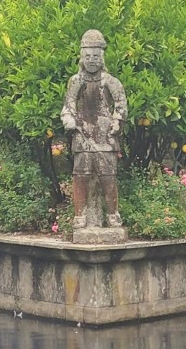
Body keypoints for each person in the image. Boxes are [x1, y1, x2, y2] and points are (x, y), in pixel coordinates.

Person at [61, 29, 127, 229]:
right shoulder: (76, 81)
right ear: (82, 57)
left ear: (102, 58)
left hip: (105, 136)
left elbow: (121, 105)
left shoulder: (110, 81)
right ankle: (79, 215)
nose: (91, 60)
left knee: (108, 177)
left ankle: (113, 214)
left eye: (95, 56)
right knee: (80, 175)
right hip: (82, 136)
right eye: (87, 56)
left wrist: (117, 121)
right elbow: (68, 105)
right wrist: (68, 119)